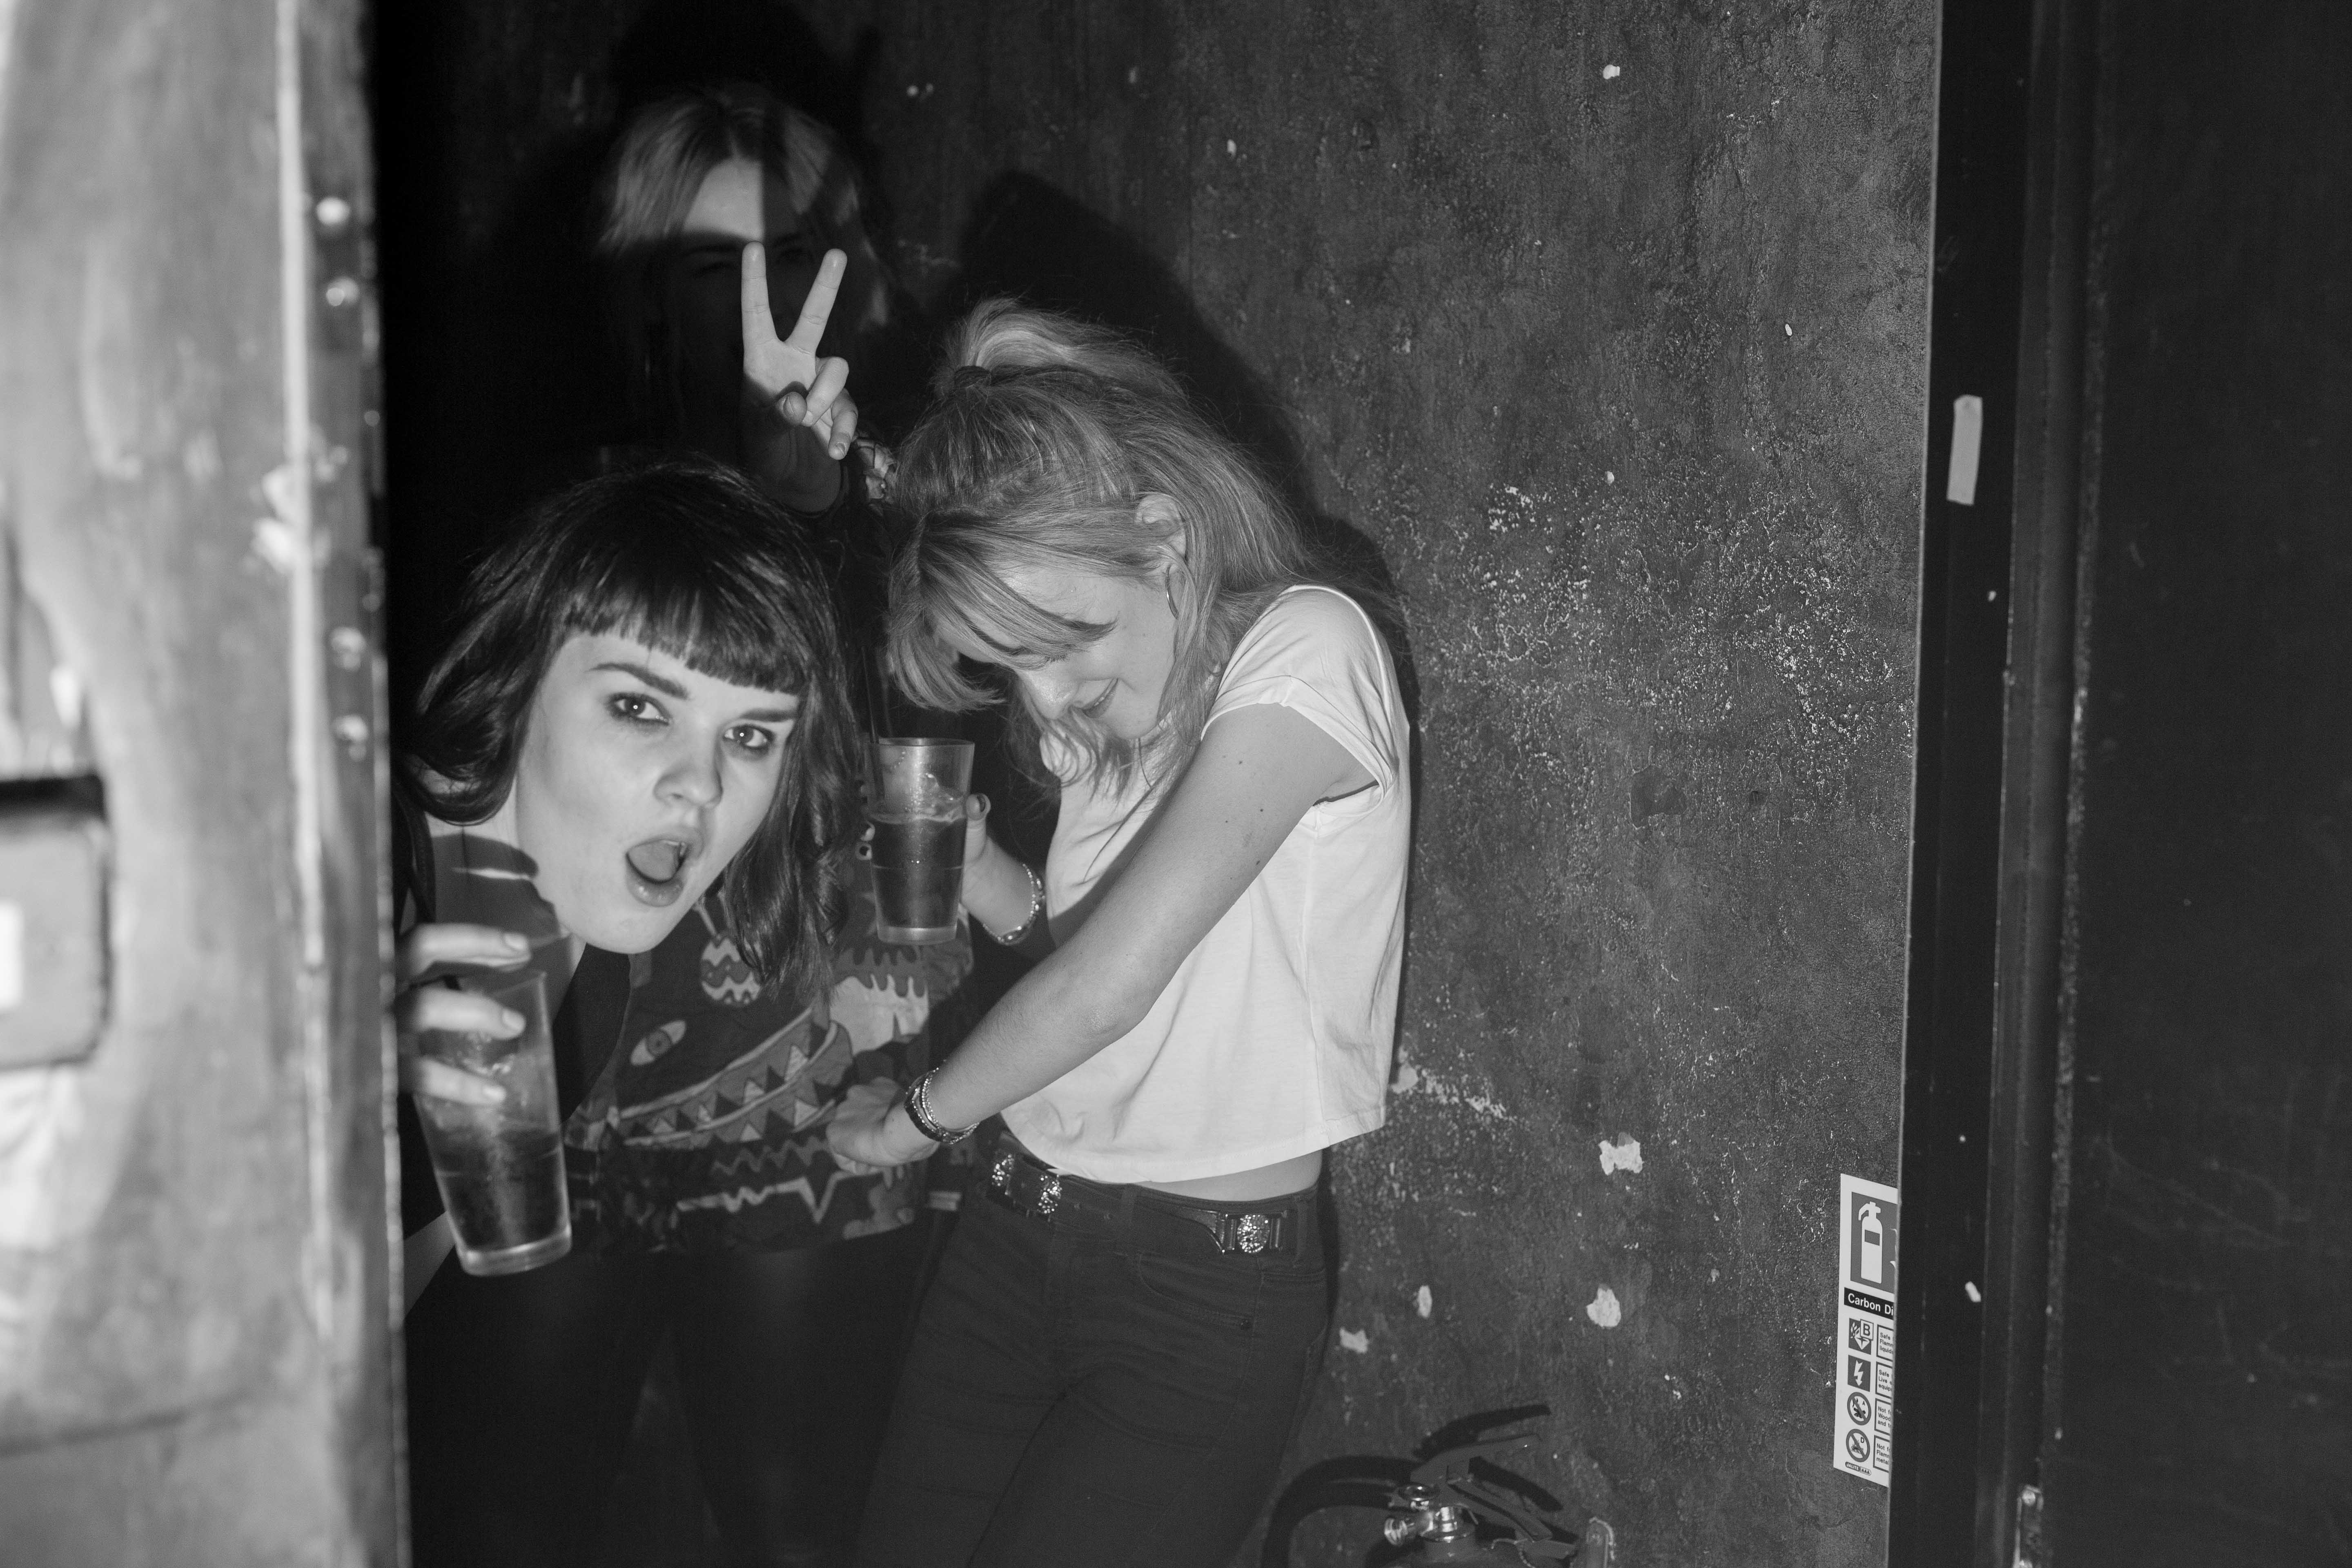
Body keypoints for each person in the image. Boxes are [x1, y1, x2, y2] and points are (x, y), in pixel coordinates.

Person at [829, 302, 1414, 1568]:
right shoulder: (1098, 709)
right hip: (1014, 1231)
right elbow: (1095, 968)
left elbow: (1109, 989)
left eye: (1063, 645)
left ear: (1166, 535)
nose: (1043, 701)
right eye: (1006, 666)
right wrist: (989, 876)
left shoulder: (1308, 651)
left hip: (1198, 1302)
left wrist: (911, 1119)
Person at [394, 459, 967, 1568]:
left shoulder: (592, 954)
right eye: (638, 708)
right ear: (516, 671)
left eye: (750, 738)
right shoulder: (330, 868)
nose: (699, 787)